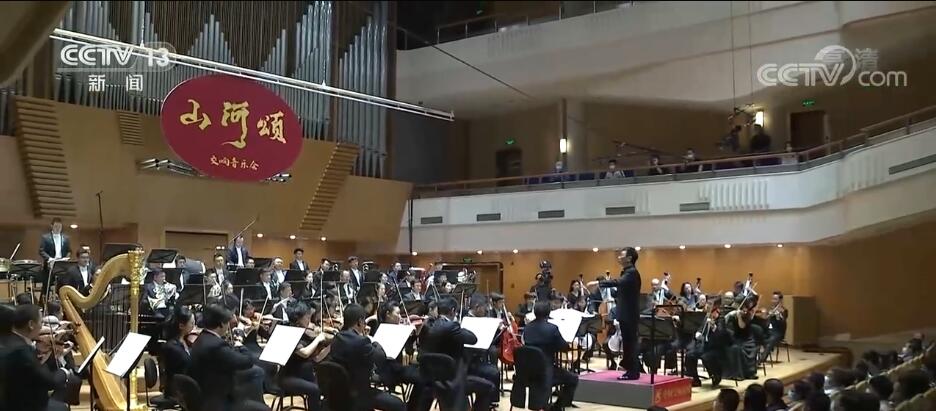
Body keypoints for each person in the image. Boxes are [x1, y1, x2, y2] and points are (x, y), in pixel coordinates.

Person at [417, 298, 496, 411]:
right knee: (489, 387)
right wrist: (459, 326)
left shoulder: (428, 325)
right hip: (452, 379)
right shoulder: (452, 326)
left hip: (428, 378)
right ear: (453, 311)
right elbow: (473, 339)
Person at [188, 304, 265, 411]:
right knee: (264, 409)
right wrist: (240, 344)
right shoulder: (216, 346)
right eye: (227, 322)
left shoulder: (202, 338)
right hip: (219, 398)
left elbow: (226, 358)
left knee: (257, 371)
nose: (228, 326)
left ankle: (253, 400)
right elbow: (247, 362)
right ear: (221, 324)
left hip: (208, 387)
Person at [329, 303, 406, 411]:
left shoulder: (336, 338)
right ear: (360, 321)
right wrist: (372, 340)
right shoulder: (361, 341)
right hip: (358, 393)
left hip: (337, 393)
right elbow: (380, 357)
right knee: (399, 405)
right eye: (364, 322)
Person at [0, 304, 69, 411]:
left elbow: (28, 370)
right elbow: (49, 381)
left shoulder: (7, 341)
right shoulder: (22, 350)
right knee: (62, 407)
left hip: (10, 399)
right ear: (31, 324)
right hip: (22, 405)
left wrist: (41, 354)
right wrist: (65, 371)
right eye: (41, 322)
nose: (42, 327)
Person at [588, 247, 642, 380]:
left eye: (621, 255)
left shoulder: (631, 272)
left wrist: (599, 282)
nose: (619, 257)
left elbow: (618, 282)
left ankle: (633, 372)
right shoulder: (627, 272)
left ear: (629, 258)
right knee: (628, 343)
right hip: (626, 313)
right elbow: (619, 291)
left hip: (629, 314)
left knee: (630, 343)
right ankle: (633, 369)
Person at [523, 301, 579, 409]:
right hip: (545, 371)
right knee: (573, 378)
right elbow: (563, 346)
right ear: (548, 313)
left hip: (528, 371)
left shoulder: (527, 327)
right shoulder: (552, 328)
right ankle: (558, 406)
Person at [279, 302, 328, 411]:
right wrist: (318, 339)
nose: (309, 320)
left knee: (327, 384)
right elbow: (305, 353)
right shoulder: (289, 333)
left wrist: (332, 345)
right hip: (289, 376)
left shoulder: (303, 332)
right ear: (298, 319)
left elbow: (316, 358)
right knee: (314, 390)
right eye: (307, 317)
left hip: (304, 374)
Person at [160, 306, 194, 402]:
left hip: (183, 386)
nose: (194, 327)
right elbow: (187, 365)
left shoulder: (183, 341)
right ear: (181, 326)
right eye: (192, 323)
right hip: (177, 391)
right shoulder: (172, 347)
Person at [38, 218, 71, 292]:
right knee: (47, 286)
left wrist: (66, 258)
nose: (58, 228)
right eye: (56, 226)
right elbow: (41, 251)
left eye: (60, 226)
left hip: (62, 264)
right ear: (51, 226)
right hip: (50, 264)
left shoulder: (66, 238)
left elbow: (69, 251)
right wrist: (49, 259)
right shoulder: (45, 237)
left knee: (62, 285)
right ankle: (45, 298)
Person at [761, 291, 788, 362]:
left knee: (771, 339)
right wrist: (765, 315)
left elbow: (783, 323)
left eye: (775, 299)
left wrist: (778, 316)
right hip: (770, 330)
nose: (773, 301)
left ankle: (762, 358)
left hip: (778, 332)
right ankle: (768, 350)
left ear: (780, 300)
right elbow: (767, 321)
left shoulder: (784, 310)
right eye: (772, 299)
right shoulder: (771, 309)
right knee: (759, 334)